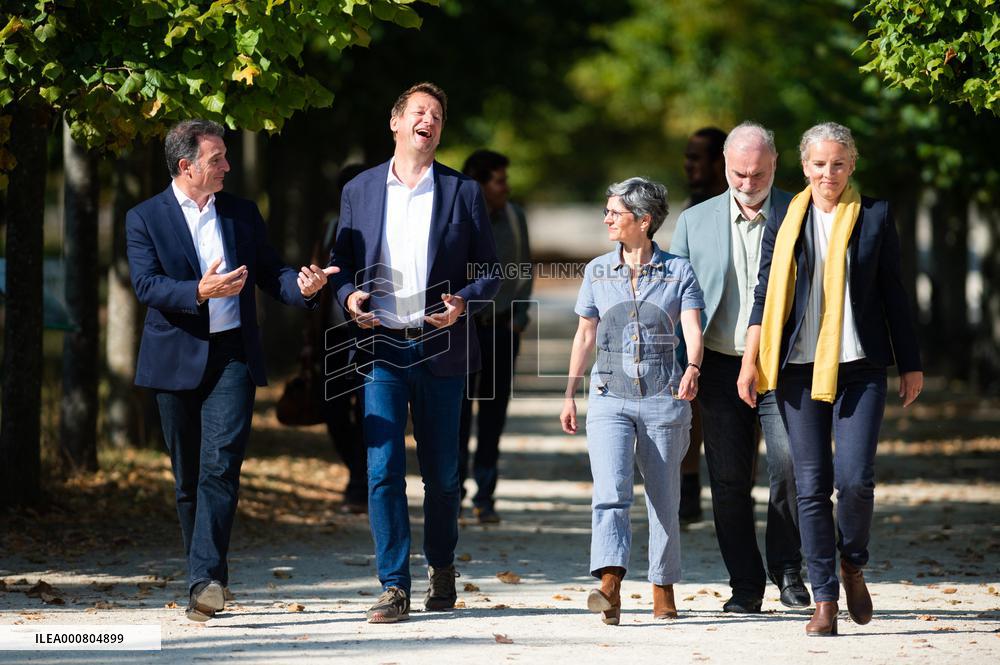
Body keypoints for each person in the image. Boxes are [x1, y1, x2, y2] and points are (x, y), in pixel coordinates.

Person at [126, 119, 336, 622]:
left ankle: (206, 581)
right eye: (216, 159)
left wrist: (302, 289)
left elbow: (270, 272)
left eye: (225, 157)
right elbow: (147, 285)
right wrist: (199, 292)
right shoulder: (144, 217)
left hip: (233, 358)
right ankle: (201, 570)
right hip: (174, 359)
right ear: (186, 166)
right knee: (187, 477)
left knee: (220, 465)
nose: (227, 166)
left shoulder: (241, 213)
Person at [738, 122, 923, 636]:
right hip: (797, 369)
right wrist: (752, 360)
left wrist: (910, 363)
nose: (828, 173)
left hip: (860, 366)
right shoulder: (784, 215)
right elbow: (763, 293)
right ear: (804, 167)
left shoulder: (876, 216)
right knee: (811, 486)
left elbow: (894, 293)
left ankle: (853, 563)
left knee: (856, 480)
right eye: (819, 164)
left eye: (838, 164)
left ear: (852, 165)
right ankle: (824, 598)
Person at [328, 82, 500, 623]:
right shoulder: (358, 189)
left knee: (444, 476)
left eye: (439, 115)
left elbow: (492, 271)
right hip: (380, 345)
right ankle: (394, 585)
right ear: (396, 122)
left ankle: (442, 564)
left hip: (440, 346)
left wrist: (463, 303)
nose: (430, 120)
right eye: (420, 112)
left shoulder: (462, 192)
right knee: (381, 470)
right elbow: (341, 263)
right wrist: (347, 296)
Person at [670, 121, 809, 613]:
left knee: (790, 468)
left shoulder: (800, 211)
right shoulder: (695, 220)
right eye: (738, 174)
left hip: (784, 365)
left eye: (759, 173)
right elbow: (677, 296)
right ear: (725, 167)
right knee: (729, 480)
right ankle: (745, 585)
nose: (748, 184)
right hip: (719, 366)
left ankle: (788, 571)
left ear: (775, 166)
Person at [560, 177, 704, 625]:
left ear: (644, 221)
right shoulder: (597, 271)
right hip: (608, 398)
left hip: (664, 398)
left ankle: (663, 587)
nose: (606, 219)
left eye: (614, 213)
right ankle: (610, 583)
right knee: (610, 492)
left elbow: (692, 326)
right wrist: (570, 391)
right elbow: (585, 333)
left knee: (664, 498)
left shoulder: (679, 271)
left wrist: (694, 367)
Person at [458, 149, 533, 524]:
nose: (506, 188)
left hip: (501, 330)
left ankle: (485, 497)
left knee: (493, 415)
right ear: (479, 184)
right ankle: (452, 493)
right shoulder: (456, 217)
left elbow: (525, 270)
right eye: (499, 180)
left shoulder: (515, 218)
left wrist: (518, 318)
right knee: (455, 414)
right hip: (461, 331)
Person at [678, 126, 729, 523]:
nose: (689, 165)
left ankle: (735, 493)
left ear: (719, 162)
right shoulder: (691, 210)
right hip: (694, 328)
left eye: (697, 158)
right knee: (689, 405)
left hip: (741, 328)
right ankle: (689, 489)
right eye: (688, 157)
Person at [315, 163, 368, 514]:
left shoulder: (381, 225)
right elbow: (317, 277)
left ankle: (360, 484)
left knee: (368, 409)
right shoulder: (331, 226)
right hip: (333, 334)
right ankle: (357, 471)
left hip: (369, 331)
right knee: (333, 410)